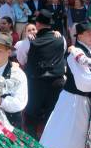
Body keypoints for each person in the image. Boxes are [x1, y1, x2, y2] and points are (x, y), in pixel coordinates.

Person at [22, 9, 67, 139]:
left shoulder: (29, 42)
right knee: (52, 112)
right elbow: (62, 53)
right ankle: (52, 140)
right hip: (56, 82)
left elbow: (22, 59)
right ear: (50, 24)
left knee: (31, 113)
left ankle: (32, 141)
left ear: (37, 24)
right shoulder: (61, 39)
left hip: (36, 82)